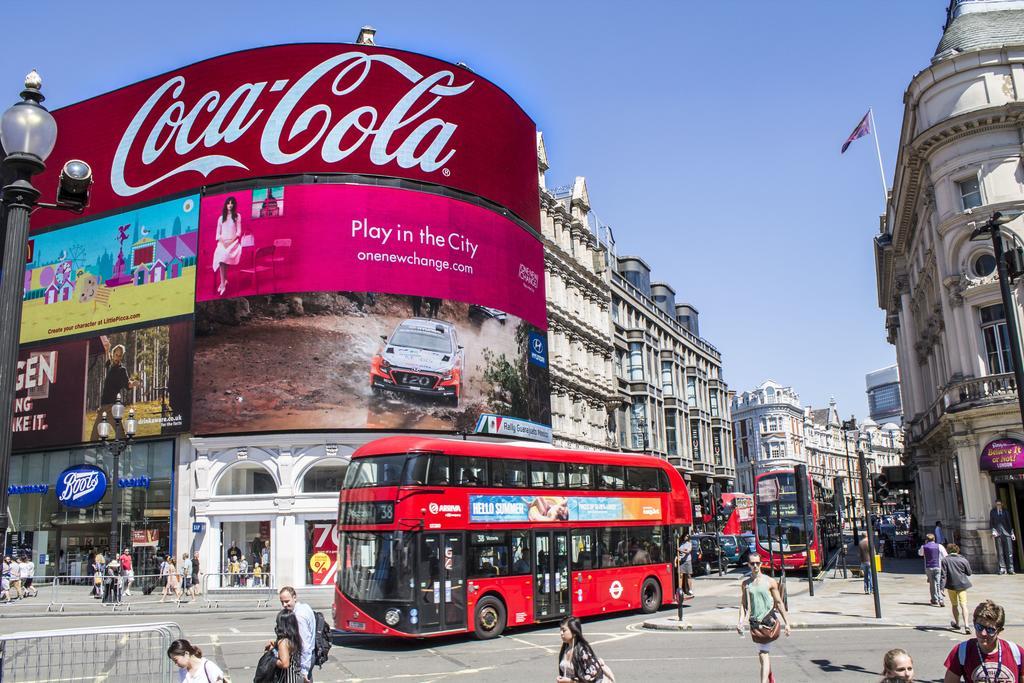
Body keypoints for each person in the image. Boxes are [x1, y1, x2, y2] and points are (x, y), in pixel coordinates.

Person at [737, 553, 792, 683]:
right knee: (762, 655)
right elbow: (743, 605)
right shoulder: (746, 584)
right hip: (756, 625)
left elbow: (779, 602)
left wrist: (787, 623)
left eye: (757, 563)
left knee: (763, 654)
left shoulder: (770, 581)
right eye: (752, 563)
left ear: (761, 564)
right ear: (748, 565)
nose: (755, 566)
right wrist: (740, 622)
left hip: (768, 623)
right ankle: (771, 677)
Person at [943, 600, 1023, 682]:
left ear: (999, 631)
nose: (983, 633)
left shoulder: (1016, 652)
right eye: (979, 627)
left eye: (990, 629)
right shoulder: (962, 651)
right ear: (974, 624)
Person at [557, 616, 612, 683]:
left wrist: (570, 681)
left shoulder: (582, 651)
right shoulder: (565, 649)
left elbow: (591, 678)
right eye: (560, 630)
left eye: (564, 630)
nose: (561, 633)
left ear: (574, 632)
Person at [279, 586, 316, 681]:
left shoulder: (298, 617)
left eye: (287, 601)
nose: (284, 605)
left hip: (304, 659)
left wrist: (304, 671)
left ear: (294, 597)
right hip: (310, 655)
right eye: (282, 602)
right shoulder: (305, 607)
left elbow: (305, 644)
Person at [265, 610, 306, 683]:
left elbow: (285, 664)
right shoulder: (295, 638)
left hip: (288, 679)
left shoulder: (283, 642)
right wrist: (274, 645)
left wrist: (272, 659)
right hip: (297, 676)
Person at [212, 196, 243, 296]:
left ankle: (222, 284)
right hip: (222, 242)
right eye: (228, 203)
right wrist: (223, 242)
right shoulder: (220, 218)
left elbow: (238, 232)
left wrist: (230, 242)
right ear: (225, 205)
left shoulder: (237, 216)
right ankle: (223, 282)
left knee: (223, 256)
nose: (230, 205)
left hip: (233, 243)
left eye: (232, 203)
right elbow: (217, 234)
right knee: (221, 256)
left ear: (234, 205)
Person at [942, 544, 973, 635]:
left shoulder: (945, 560)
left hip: (951, 586)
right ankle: (967, 625)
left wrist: (941, 588)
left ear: (948, 551)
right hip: (962, 585)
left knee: (954, 605)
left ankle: (957, 623)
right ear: (958, 550)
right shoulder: (963, 560)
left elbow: (944, 575)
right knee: (963, 605)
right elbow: (969, 573)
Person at [990, 500, 1016, 575]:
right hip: (998, 534)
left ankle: (1010, 568)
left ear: (1002, 505)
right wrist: (993, 531)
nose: (998, 506)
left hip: (1007, 533)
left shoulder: (1006, 512)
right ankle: (1002, 568)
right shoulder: (993, 512)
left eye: (999, 504)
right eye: (997, 504)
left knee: (1009, 551)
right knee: (1000, 552)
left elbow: (1009, 523)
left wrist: (1012, 533)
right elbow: (991, 523)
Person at [918, 534, 945, 607]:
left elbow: (920, 554)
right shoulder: (939, 546)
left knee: (932, 584)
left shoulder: (924, 547)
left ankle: (935, 600)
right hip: (937, 566)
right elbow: (945, 555)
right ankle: (941, 599)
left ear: (926, 540)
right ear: (934, 539)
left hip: (928, 567)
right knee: (938, 583)